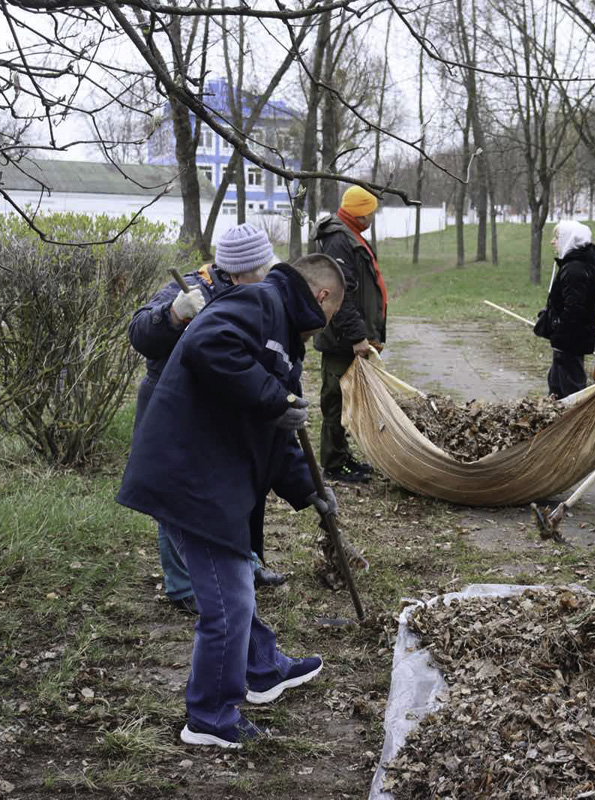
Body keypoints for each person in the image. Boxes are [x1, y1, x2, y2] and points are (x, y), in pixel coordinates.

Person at [116, 254, 346, 749]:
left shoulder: (283, 334)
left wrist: (310, 489)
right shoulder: (261, 302)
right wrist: (276, 400)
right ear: (321, 296)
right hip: (189, 475)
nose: (324, 328)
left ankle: (261, 670)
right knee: (229, 602)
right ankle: (209, 716)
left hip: (211, 476)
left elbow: (278, 431)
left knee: (233, 585)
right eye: (330, 316)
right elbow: (207, 343)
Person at [128, 224, 287, 615]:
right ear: (236, 270)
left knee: (233, 488)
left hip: (219, 407)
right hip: (170, 405)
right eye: (259, 271)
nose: (265, 278)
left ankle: (245, 564)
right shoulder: (188, 288)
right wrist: (174, 314)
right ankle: (182, 585)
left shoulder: (254, 290)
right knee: (175, 497)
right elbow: (139, 334)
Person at [312, 185, 387, 484]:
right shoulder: (338, 240)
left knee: (347, 400)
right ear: (360, 214)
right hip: (340, 339)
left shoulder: (349, 235)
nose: (372, 217)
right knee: (336, 400)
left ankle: (342, 457)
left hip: (349, 336)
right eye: (370, 213)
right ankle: (334, 464)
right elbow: (340, 296)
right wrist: (357, 336)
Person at [541, 220, 595, 399]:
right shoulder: (578, 265)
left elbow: (574, 309)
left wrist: (557, 325)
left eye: (557, 237)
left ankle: (576, 417)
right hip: (568, 340)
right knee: (556, 387)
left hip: (570, 340)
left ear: (569, 239)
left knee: (571, 390)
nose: (553, 242)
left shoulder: (575, 269)